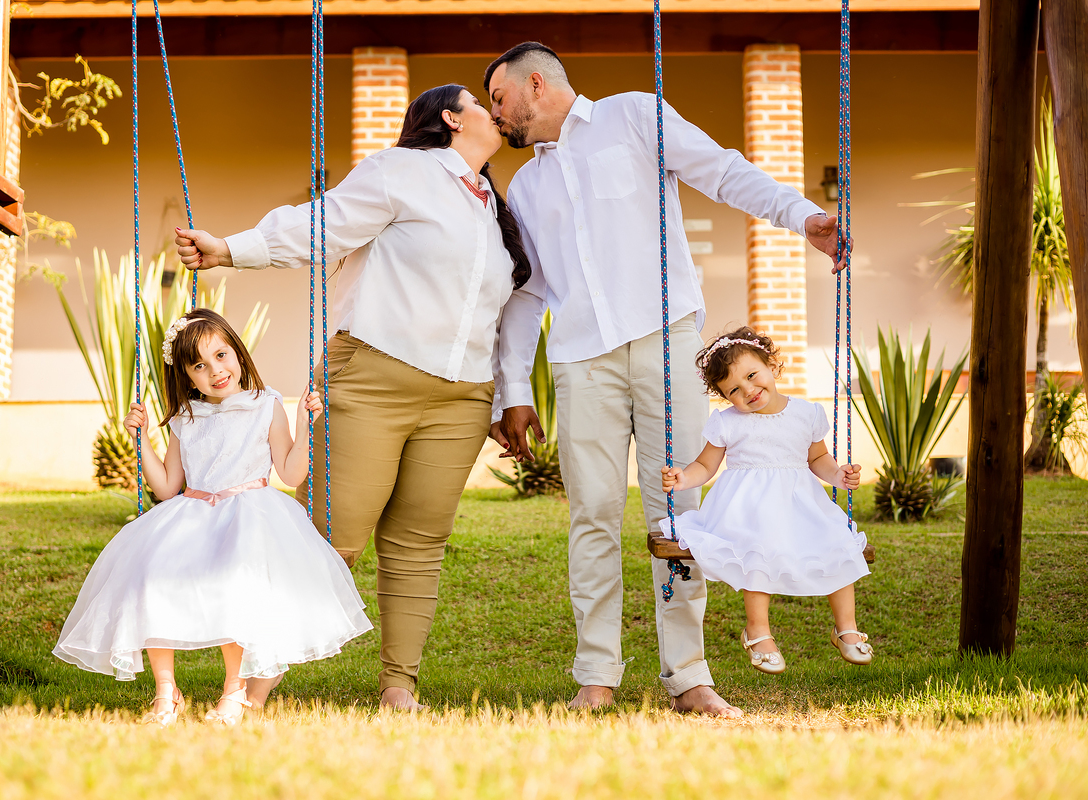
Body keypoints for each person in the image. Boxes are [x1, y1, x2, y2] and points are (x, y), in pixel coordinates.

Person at [485, 42, 848, 715]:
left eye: (499, 101)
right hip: (581, 357)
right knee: (591, 515)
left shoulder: (633, 118)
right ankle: (595, 674)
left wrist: (802, 217)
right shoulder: (526, 187)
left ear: (536, 83)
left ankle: (688, 674)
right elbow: (526, 295)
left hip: (666, 339)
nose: (495, 117)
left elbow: (723, 172)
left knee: (677, 513)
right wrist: (512, 390)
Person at [174, 85, 531, 710]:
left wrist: (504, 398)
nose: (491, 110)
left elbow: (498, 319)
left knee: (419, 543)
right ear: (450, 118)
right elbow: (321, 224)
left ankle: (401, 688)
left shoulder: (492, 210)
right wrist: (231, 250)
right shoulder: (403, 171)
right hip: (371, 376)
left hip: (461, 399)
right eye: (480, 101)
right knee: (328, 538)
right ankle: (248, 692)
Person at [52, 308, 372, 726]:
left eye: (221, 356)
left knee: (234, 583)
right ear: (187, 377)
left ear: (237, 353)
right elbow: (167, 487)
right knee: (149, 576)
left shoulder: (266, 405)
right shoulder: (186, 418)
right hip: (193, 513)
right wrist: (142, 438)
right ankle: (166, 692)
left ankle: (235, 689)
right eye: (200, 366)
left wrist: (304, 422)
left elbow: (291, 473)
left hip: (249, 515)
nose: (215, 371)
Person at [660, 327, 873, 673]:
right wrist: (683, 478)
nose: (748, 390)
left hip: (799, 505)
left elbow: (817, 459)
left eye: (752, 375)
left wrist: (838, 476)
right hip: (748, 510)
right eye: (734, 389)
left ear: (771, 365)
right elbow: (705, 465)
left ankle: (845, 626)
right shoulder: (727, 423)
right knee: (756, 550)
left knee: (839, 542)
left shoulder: (806, 413)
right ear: (726, 398)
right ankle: (758, 631)